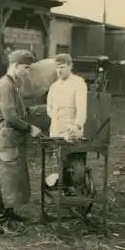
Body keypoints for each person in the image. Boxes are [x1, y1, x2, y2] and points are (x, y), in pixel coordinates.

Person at [0, 49, 42, 233]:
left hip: (12, 137)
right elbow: (10, 116)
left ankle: (9, 214)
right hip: (7, 136)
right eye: (25, 68)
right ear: (15, 65)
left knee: (11, 179)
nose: (27, 72)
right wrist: (30, 128)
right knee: (6, 179)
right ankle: (1, 223)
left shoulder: (13, 84)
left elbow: (18, 111)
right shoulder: (5, 86)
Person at [46, 53, 88, 195]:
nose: (59, 71)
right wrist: (56, 120)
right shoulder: (54, 86)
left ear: (70, 66)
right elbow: (49, 108)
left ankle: (75, 187)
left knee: (73, 162)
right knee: (59, 161)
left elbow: (81, 108)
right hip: (57, 130)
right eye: (57, 68)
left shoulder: (78, 83)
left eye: (63, 67)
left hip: (72, 130)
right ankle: (63, 187)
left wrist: (76, 126)